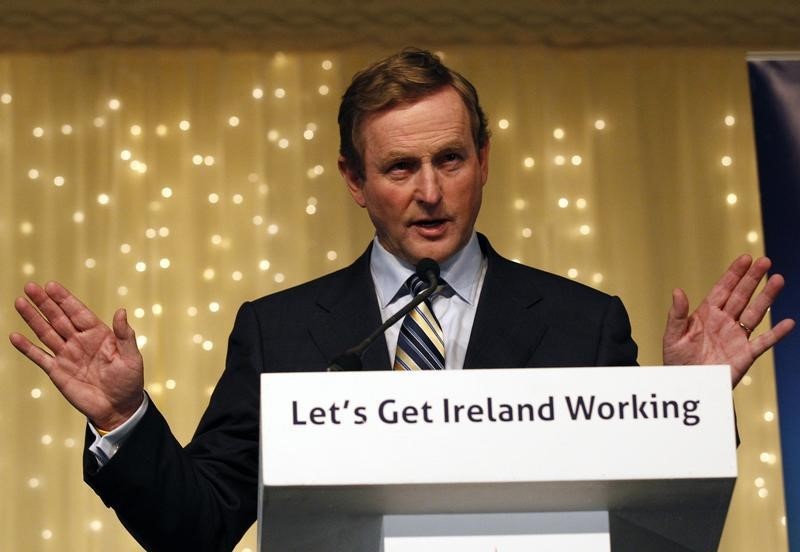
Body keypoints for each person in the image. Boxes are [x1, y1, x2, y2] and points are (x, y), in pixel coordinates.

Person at [9, 48, 795, 551]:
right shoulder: (278, 331)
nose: (430, 193)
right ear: (354, 180)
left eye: (451, 159)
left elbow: (651, 515)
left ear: (484, 160)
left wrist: (684, 404)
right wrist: (122, 420)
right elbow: (199, 529)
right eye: (399, 169)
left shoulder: (583, 321)